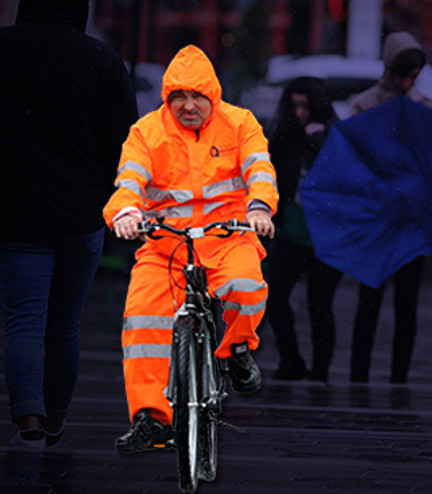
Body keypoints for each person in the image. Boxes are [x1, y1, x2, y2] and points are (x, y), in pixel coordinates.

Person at [105, 45, 278, 453]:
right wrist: (127, 212)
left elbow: (260, 169)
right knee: (143, 322)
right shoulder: (147, 131)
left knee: (245, 286)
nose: (187, 106)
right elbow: (129, 178)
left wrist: (258, 208)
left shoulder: (240, 124)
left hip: (228, 237)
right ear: (166, 99)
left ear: (213, 96)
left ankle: (237, 350)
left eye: (196, 96)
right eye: (177, 97)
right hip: (166, 244)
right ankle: (151, 418)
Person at [0, 0, 138, 449]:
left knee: (23, 321)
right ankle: (57, 415)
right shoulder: (102, 61)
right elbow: (125, 142)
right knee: (65, 326)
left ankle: (29, 417)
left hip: (17, 211)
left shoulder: (4, 50)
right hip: (82, 213)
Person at [347, 31, 432, 384]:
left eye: (413, 75)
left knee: (406, 304)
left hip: (409, 220)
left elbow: (430, 162)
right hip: (377, 220)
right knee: (369, 301)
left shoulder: (423, 105)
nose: (407, 81)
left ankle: (398, 376)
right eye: (403, 73)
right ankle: (359, 375)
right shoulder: (364, 104)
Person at [265, 76, 342, 382]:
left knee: (319, 306)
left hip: (327, 239)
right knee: (275, 297)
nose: (299, 112)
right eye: (294, 105)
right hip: (290, 233)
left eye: (305, 105)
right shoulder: (287, 136)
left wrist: (319, 139)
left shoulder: (335, 136)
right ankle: (291, 360)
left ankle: (320, 372)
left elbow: (342, 175)